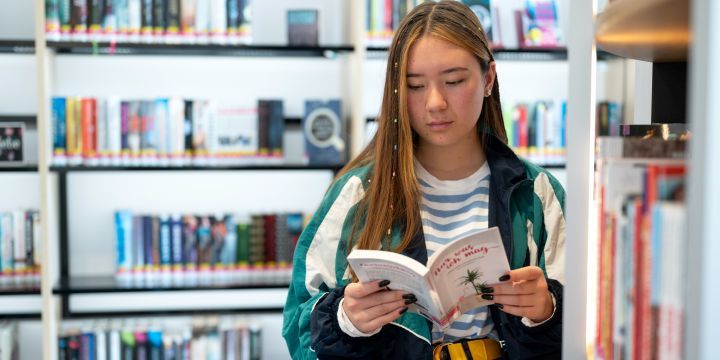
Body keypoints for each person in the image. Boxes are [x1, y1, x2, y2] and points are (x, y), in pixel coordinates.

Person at [282, 1, 565, 359]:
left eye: (454, 81)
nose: (435, 102)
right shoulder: (358, 193)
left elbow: (587, 322)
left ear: (488, 79)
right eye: (415, 86)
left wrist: (548, 311)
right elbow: (298, 324)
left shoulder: (537, 193)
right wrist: (345, 321)